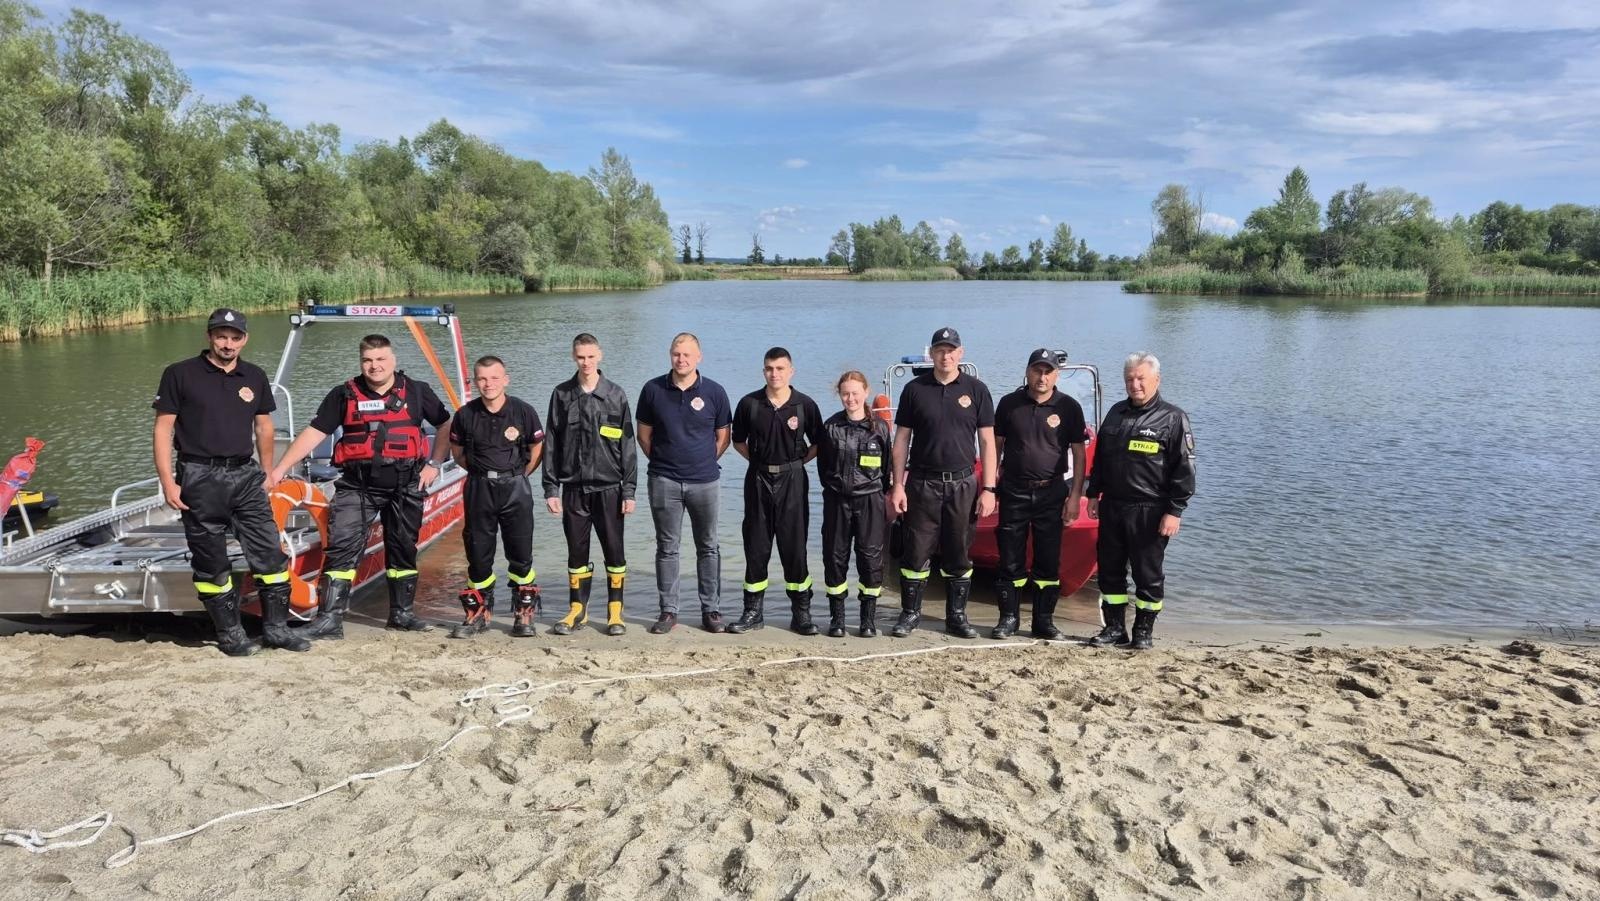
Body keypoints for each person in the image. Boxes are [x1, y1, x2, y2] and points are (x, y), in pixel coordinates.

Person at [271, 334, 452, 638]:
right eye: (368, 360)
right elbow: (314, 433)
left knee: (403, 549)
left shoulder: (418, 392)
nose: (374, 366)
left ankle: (402, 615)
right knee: (342, 547)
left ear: (393, 360)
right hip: (358, 486)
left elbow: (445, 424)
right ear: (361, 362)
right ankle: (330, 620)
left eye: (381, 359)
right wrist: (279, 470)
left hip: (405, 483)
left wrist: (434, 464)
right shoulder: (343, 395)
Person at [152, 308, 310, 655]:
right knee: (210, 560)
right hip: (199, 476)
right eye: (221, 336)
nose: (228, 343)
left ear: (244, 339)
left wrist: (268, 471)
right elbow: (164, 429)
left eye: (235, 337)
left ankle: (277, 630)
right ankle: (230, 636)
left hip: (245, 475)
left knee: (270, 554)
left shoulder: (254, 375)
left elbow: (264, 427)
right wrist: (168, 482)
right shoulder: (180, 374)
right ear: (209, 337)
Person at [887, 327, 997, 639]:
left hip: (963, 484)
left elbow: (987, 443)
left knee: (959, 552)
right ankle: (910, 614)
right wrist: (897, 485)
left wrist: (988, 489)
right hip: (922, 483)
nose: (945, 356)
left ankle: (957, 617)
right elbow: (902, 440)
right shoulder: (914, 390)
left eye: (951, 350)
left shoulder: (977, 390)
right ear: (932, 354)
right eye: (940, 350)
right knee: (915, 552)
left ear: (960, 353)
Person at [1085, 352, 1196, 650]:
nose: (1135, 385)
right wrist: (1093, 493)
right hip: (1113, 506)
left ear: (1156, 380)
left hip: (1150, 509)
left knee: (1148, 574)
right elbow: (1101, 459)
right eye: (1130, 379)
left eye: (1141, 379)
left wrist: (1175, 510)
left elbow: (1185, 469)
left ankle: (1143, 633)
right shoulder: (1116, 413)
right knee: (1110, 570)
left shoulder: (1173, 418)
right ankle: (1114, 629)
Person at [635, 333, 733, 634]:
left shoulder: (715, 392)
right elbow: (644, 435)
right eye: (677, 354)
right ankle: (668, 611)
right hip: (664, 481)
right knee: (667, 548)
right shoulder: (652, 390)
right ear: (670, 355)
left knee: (709, 547)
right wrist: (667, 463)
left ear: (699, 357)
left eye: (688, 354)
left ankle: (711, 610)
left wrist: (700, 461)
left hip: (705, 482)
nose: (682, 359)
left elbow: (723, 437)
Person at [543, 333, 637, 637]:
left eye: (591, 356)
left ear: (600, 355)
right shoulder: (561, 394)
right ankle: (577, 610)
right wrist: (550, 489)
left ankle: (614, 612)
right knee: (576, 552)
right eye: (580, 357)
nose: (586, 362)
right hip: (573, 490)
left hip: (610, 489)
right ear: (574, 357)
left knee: (615, 551)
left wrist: (629, 491)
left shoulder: (616, 395)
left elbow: (629, 447)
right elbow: (551, 444)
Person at [727, 347, 825, 635]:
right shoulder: (749, 404)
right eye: (769, 368)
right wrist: (760, 463)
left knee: (794, 547)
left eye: (780, 368)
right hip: (757, 479)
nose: (775, 374)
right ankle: (752, 613)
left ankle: (801, 613)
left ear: (791, 371)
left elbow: (818, 443)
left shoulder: (804, 405)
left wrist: (794, 464)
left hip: (793, 481)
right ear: (763, 371)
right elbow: (738, 441)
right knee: (756, 547)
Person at [445, 356, 544, 639]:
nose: (488, 384)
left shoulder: (523, 411)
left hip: (516, 487)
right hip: (479, 488)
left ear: (506, 379)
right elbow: (457, 451)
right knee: (478, 554)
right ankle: (478, 615)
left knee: (521, 554)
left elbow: (537, 447)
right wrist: (480, 473)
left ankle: (523, 616)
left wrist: (519, 474)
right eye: (482, 379)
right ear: (476, 382)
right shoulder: (465, 414)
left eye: (494, 378)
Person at [991, 349, 1087, 639]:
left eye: (1048, 372)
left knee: (1048, 560)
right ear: (1028, 372)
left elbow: (1079, 455)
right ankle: (1008, 619)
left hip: (1052, 492)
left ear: (1056, 375)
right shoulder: (1009, 404)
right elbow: (995, 446)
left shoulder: (1069, 407)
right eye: (1037, 370)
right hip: (1014, 491)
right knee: (1010, 559)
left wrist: (1074, 497)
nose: (1041, 377)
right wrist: (990, 488)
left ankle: (1043, 622)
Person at [817, 370, 893, 637]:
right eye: (845, 394)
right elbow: (823, 467)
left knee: (870, 560)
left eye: (855, 393)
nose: (850, 398)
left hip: (870, 500)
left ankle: (867, 620)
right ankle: (837, 619)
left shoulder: (880, 428)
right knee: (835, 558)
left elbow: (887, 468)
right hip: (837, 500)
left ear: (866, 392)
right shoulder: (830, 427)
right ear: (839, 395)